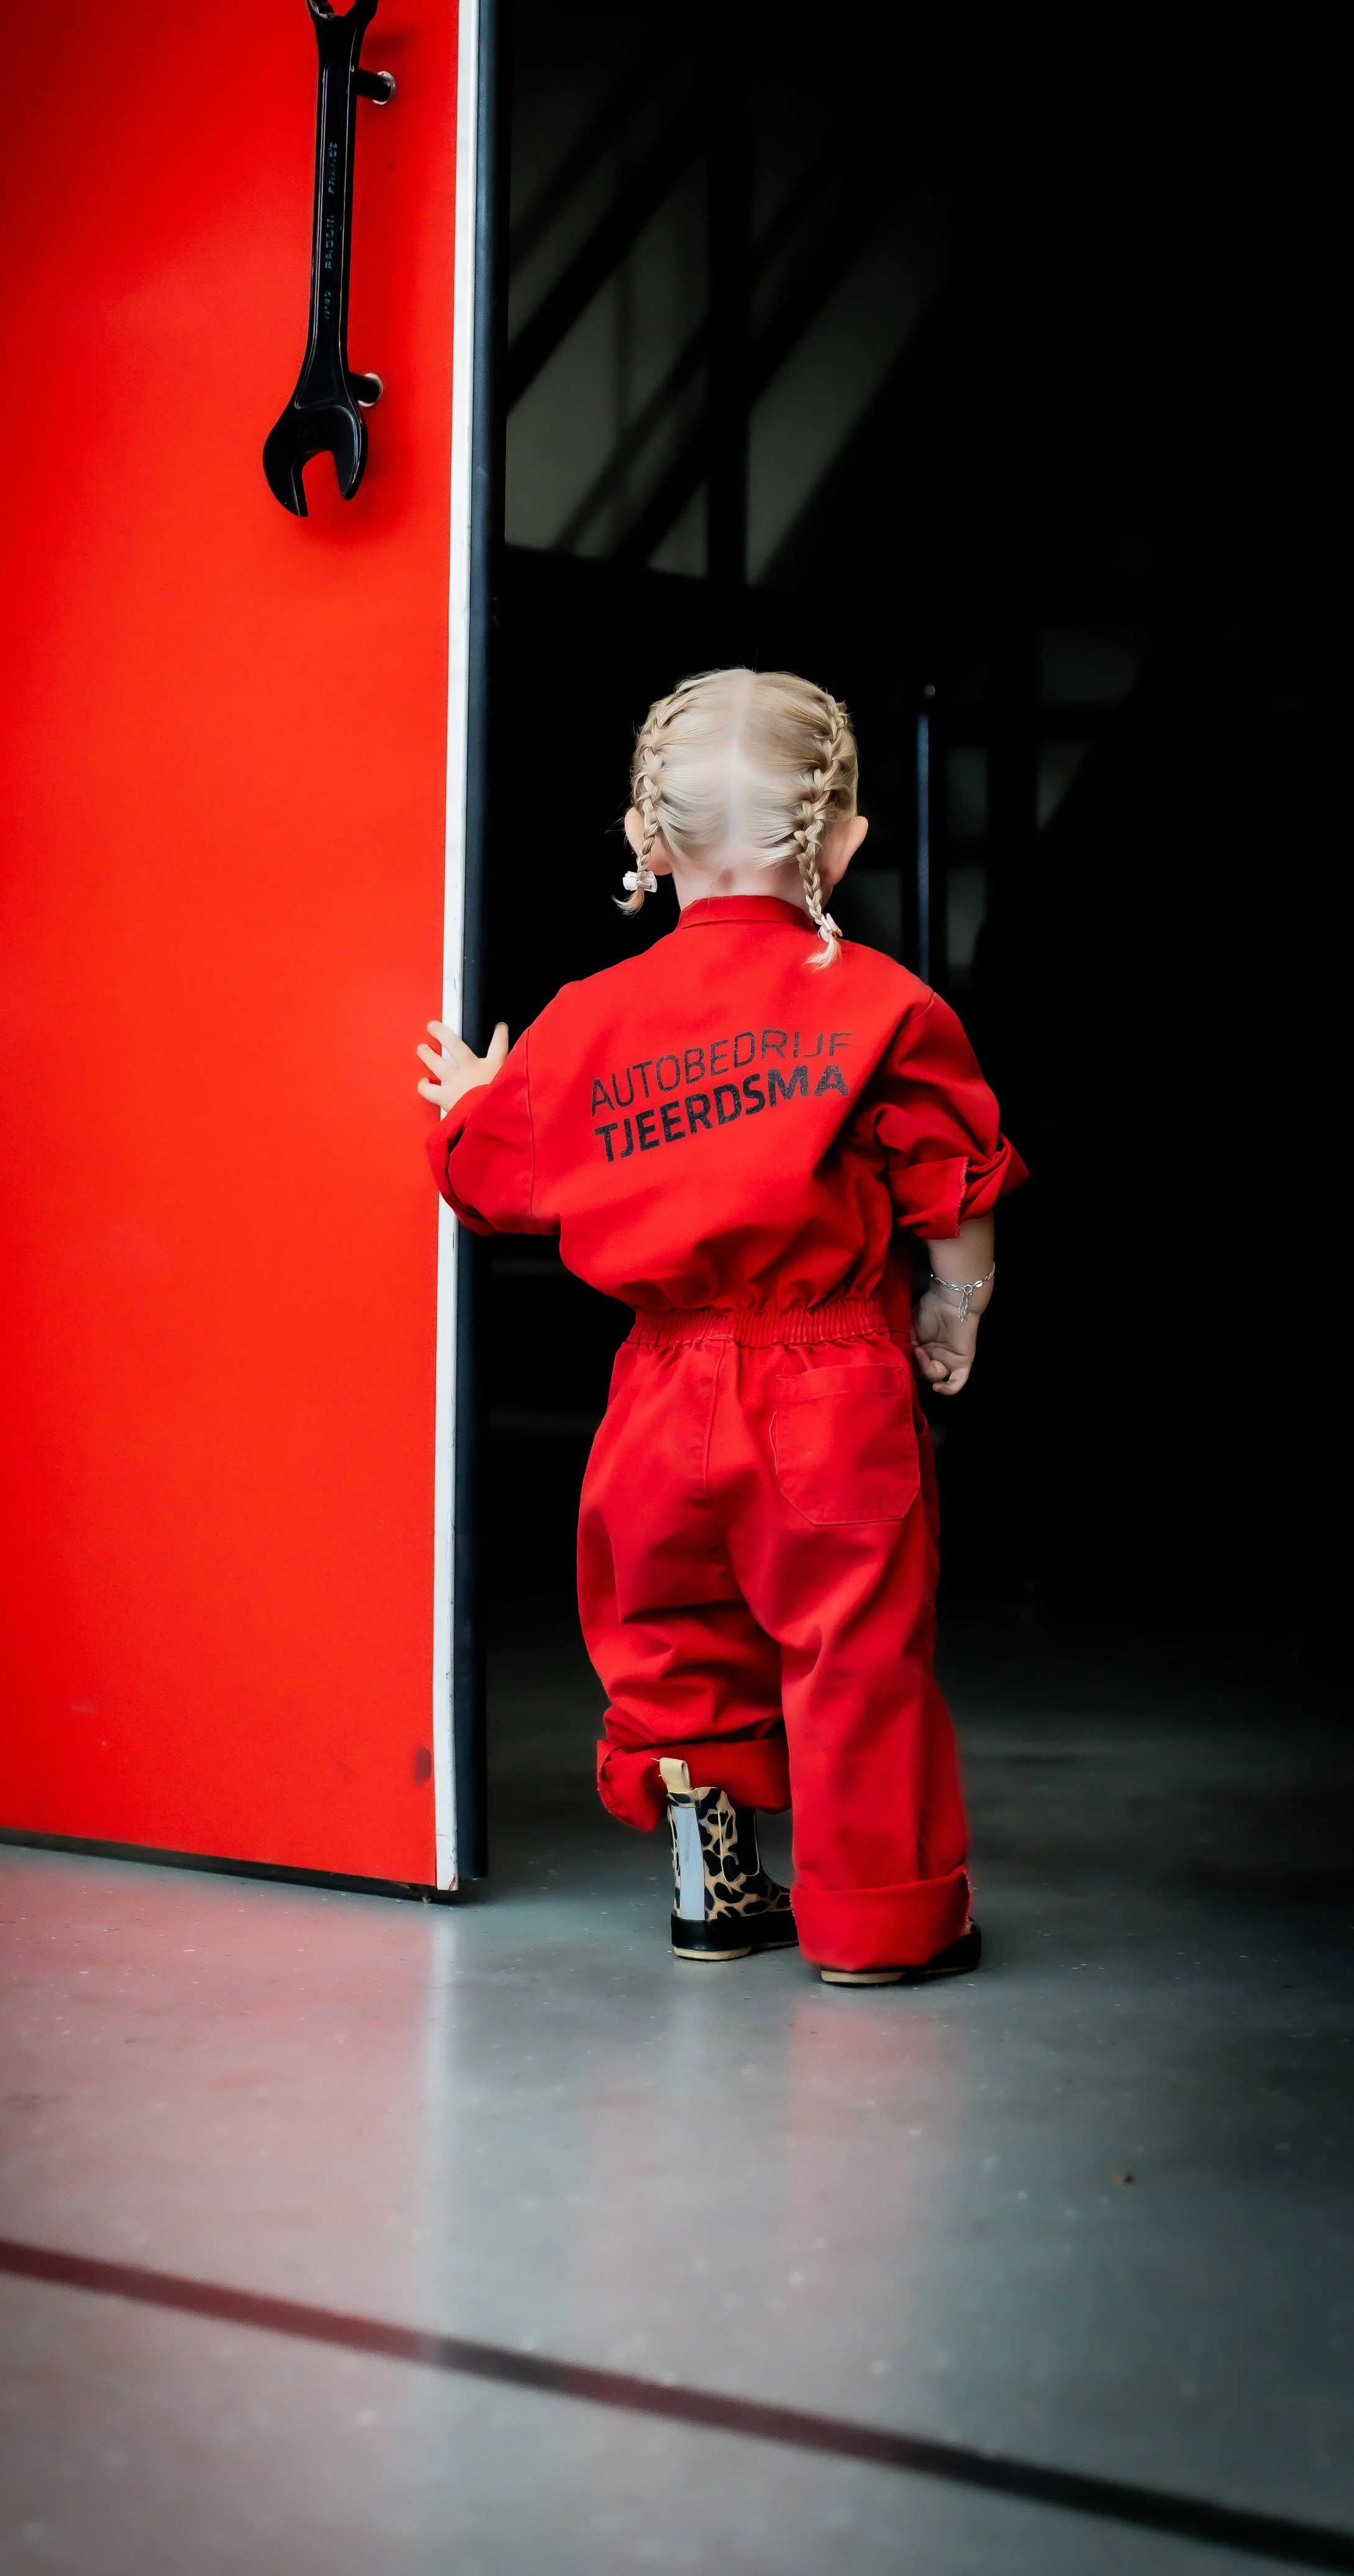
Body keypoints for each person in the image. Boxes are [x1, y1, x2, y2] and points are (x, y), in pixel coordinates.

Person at [417, 669, 1024, 1986]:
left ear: (646, 839)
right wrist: (954, 1308)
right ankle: (879, 1925)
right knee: (853, 1649)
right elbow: (955, 1186)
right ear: (841, 843)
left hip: (660, 1388)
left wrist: (476, 1095)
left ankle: (716, 1892)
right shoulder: (885, 1005)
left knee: (676, 1635)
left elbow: (483, 1178)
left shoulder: (586, 1018)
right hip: (830, 1381)